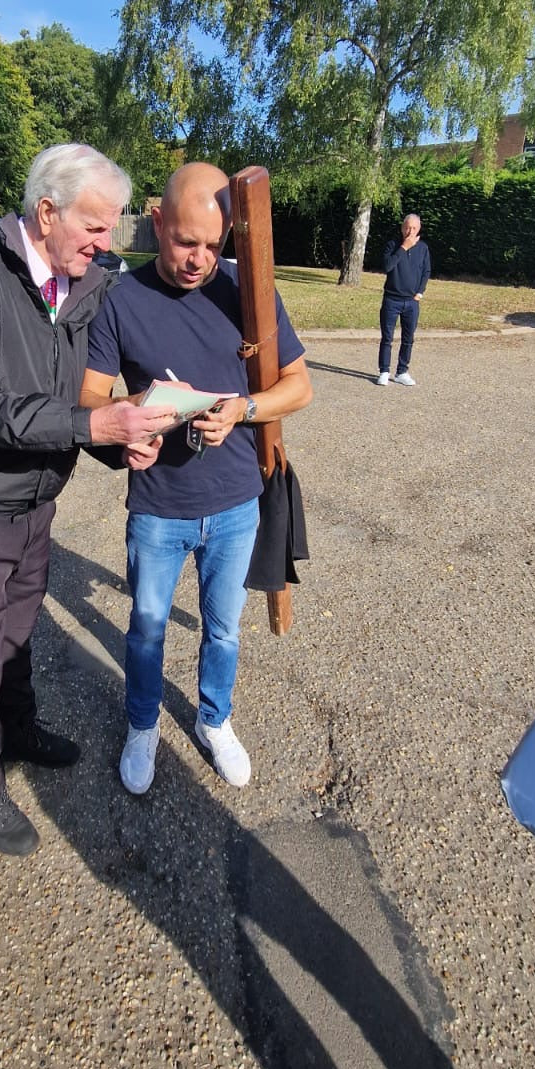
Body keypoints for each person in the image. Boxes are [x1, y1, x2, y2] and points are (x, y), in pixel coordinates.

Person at [0, 143, 177, 857]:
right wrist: (92, 424)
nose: (106, 245)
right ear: (45, 212)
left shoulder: (86, 285)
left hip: (38, 498)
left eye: (114, 229)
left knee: (19, 631)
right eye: (95, 229)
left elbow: (77, 401)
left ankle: (19, 729)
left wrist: (120, 439)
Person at [80, 161, 313, 796]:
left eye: (214, 245)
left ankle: (215, 720)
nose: (198, 259)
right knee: (149, 626)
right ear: (157, 223)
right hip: (157, 508)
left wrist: (244, 409)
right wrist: (130, 430)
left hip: (238, 505)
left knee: (224, 627)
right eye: (186, 241)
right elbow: (89, 397)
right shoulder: (118, 299)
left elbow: (299, 386)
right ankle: (142, 725)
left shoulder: (250, 291)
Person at [377, 213, 430, 387]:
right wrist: (404, 247)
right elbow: (387, 266)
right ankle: (384, 371)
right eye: (407, 227)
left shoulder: (423, 248)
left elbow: (426, 272)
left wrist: (420, 293)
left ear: (419, 229)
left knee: (408, 338)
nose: (410, 231)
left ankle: (402, 371)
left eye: (414, 228)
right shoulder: (392, 245)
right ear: (402, 228)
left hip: (411, 302)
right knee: (387, 337)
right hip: (392, 299)